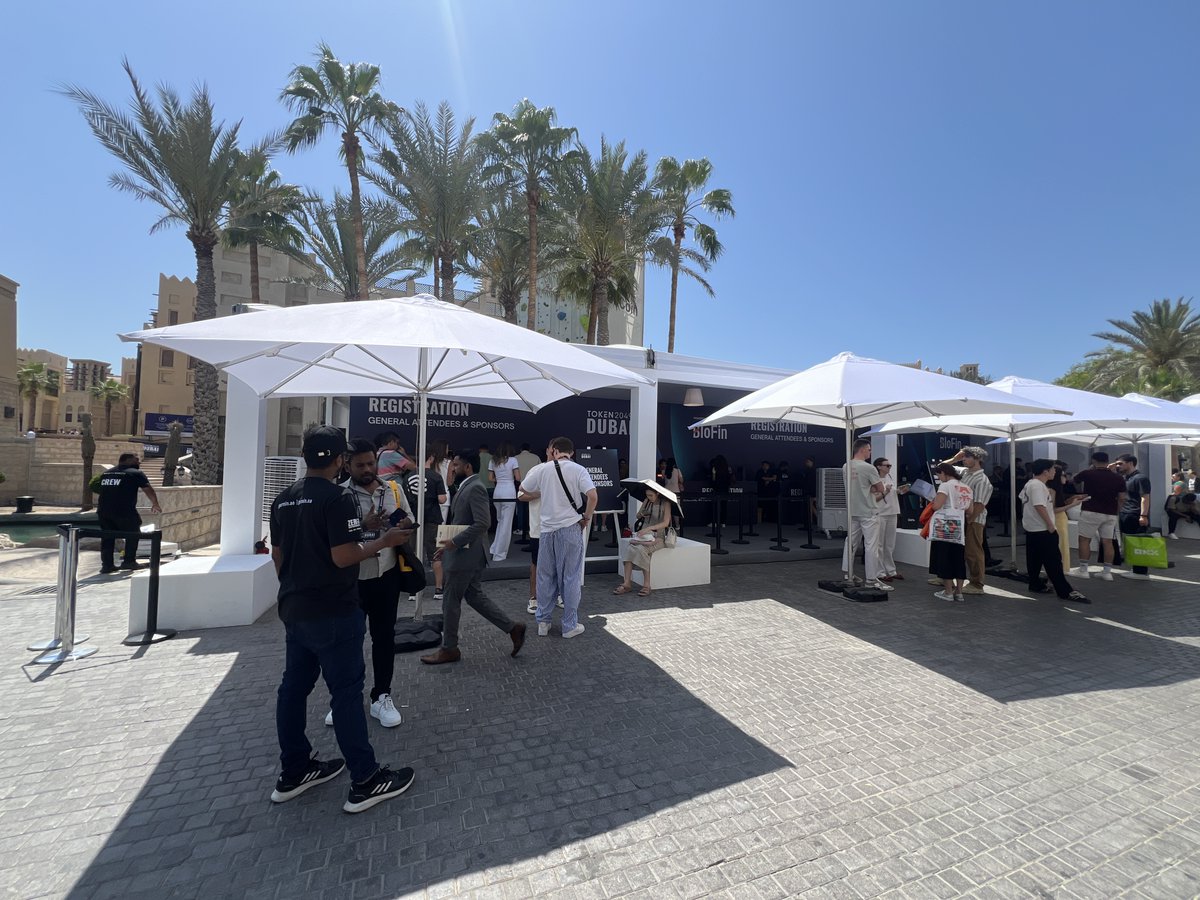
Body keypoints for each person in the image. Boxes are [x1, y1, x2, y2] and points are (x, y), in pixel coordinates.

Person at [269, 426, 416, 813]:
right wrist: (382, 541)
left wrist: (297, 586)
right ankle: (366, 780)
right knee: (348, 694)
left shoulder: (284, 499)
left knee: (292, 690)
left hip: (295, 609)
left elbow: (278, 556)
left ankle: (294, 770)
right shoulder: (338, 498)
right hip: (334, 610)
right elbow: (343, 556)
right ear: (339, 461)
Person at [328, 439, 413, 729]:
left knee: (384, 638)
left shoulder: (393, 489)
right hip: (351, 579)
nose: (367, 469)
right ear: (347, 464)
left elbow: (409, 521)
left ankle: (382, 695)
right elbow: (332, 538)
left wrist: (401, 526)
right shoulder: (339, 496)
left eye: (371, 463)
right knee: (347, 641)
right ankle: (345, 698)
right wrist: (363, 525)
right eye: (360, 465)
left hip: (386, 575)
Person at [420, 451, 525, 664]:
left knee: (450, 601)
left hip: (466, 555)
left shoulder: (475, 487)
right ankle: (513, 628)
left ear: (467, 467)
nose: (452, 468)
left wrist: (454, 542)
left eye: (456, 465)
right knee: (474, 596)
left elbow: (483, 523)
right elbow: (463, 521)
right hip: (466, 553)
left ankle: (449, 648)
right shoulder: (467, 486)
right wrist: (447, 544)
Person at [518, 436, 598, 639]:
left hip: (546, 531)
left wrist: (544, 491)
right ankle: (569, 625)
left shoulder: (542, 470)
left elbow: (524, 488)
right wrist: (586, 517)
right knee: (570, 577)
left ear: (554, 451)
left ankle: (543, 623)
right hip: (570, 528)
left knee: (545, 576)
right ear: (571, 453)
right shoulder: (579, 469)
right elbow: (592, 496)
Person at [1019, 458, 1089, 604]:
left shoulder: (1030, 484)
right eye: (1053, 469)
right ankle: (1064, 591)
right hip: (1042, 529)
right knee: (1053, 561)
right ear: (1045, 471)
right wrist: (1050, 525)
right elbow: (1039, 506)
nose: (1054, 472)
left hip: (1033, 529)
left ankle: (1035, 584)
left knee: (1035, 559)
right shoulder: (1038, 486)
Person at [97, 453, 161, 574]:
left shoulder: (106, 473)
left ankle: (107, 565)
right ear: (127, 460)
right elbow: (148, 489)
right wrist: (155, 503)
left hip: (103, 511)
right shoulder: (135, 473)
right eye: (136, 460)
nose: (139, 462)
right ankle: (129, 561)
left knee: (107, 537)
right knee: (133, 533)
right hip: (124, 511)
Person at [841, 438, 891, 591]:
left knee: (850, 542)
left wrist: (869, 487)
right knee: (871, 546)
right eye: (869, 449)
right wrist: (872, 488)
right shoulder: (869, 468)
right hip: (868, 510)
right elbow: (880, 488)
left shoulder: (846, 466)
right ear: (862, 450)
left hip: (852, 510)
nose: (870, 452)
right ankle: (871, 579)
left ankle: (848, 574)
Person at [942, 447, 993, 595]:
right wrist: (954, 459)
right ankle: (948, 577)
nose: (964, 459)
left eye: (967, 457)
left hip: (974, 519)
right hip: (959, 517)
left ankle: (977, 583)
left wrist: (970, 519)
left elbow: (980, 504)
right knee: (955, 549)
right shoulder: (964, 472)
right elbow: (941, 468)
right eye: (964, 457)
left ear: (978, 459)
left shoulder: (982, 480)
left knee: (973, 551)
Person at [1071, 451, 1126, 581]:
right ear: (1108, 461)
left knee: (1084, 540)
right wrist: (1117, 510)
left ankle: (1083, 570)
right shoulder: (1118, 478)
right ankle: (1107, 572)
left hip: (1090, 510)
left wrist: (1090, 469)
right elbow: (1122, 497)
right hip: (1110, 513)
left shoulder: (1088, 473)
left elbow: (1073, 480)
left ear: (1093, 461)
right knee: (1107, 541)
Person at [613, 483, 674, 597]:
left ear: (657, 493)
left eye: (651, 495)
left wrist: (650, 528)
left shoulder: (666, 503)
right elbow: (637, 516)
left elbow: (666, 523)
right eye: (647, 495)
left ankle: (646, 585)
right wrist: (643, 513)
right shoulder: (647, 501)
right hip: (644, 535)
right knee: (630, 548)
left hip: (658, 536)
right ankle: (627, 583)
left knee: (642, 550)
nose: (649, 497)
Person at [927, 463, 973, 601]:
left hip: (944, 525)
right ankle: (959, 592)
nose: (939, 478)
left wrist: (932, 500)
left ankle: (948, 592)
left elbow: (937, 506)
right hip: (959, 525)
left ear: (943, 473)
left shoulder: (945, 486)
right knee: (958, 558)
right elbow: (970, 510)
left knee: (944, 557)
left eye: (939, 475)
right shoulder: (966, 487)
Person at [407, 450, 447, 602]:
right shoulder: (435, 476)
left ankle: (413, 589)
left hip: (413, 519)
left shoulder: (408, 476)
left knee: (413, 554)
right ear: (431, 457)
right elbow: (442, 499)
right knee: (435, 554)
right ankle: (438, 589)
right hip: (432, 518)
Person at [1114, 453, 1153, 580]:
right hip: (1125, 514)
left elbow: (1145, 498)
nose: (1118, 466)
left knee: (1138, 543)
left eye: (1120, 463)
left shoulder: (1140, 478)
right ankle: (1136, 569)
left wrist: (1143, 515)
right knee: (1130, 543)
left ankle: (1140, 572)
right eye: (1117, 464)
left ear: (1130, 463)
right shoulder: (1125, 478)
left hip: (1135, 514)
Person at [873, 457, 908, 582]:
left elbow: (892, 492)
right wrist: (886, 492)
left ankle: (891, 570)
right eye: (887, 465)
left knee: (889, 544)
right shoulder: (875, 480)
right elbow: (874, 498)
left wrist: (899, 491)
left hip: (892, 512)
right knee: (879, 544)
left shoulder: (889, 477)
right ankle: (880, 572)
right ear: (879, 466)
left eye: (890, 465)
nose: (889, 467)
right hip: (881, 513)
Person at [488, 442, 522, 562]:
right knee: (506, 525)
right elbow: (518, 478)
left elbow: (490, 478)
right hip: (509, 491)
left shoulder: (493, 461)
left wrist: (500, 478)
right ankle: (500, 554)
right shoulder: (513, 460)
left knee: (500, 521)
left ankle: (494, 548)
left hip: (497, 491)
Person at [1050, 461, 1085, 567]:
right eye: (1063, 475)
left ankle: (1061, 568)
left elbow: (1061, 504)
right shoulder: (1052, 491)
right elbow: (1053, 509)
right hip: (1057, 519)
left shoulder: (1058, 490)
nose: (1066, 477)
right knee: (1060, 544)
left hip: (1061, 518)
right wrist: (1073, 504)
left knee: (1063, 544)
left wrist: (1072, 499)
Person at [515, 444, 543, 538]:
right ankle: (530, 528)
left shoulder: (515, 458)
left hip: (520, 484)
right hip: (534, 486)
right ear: (530, 449)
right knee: (534, 509)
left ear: (520, 449)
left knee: (520, 509)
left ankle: (521, 528)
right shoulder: (536, 457)